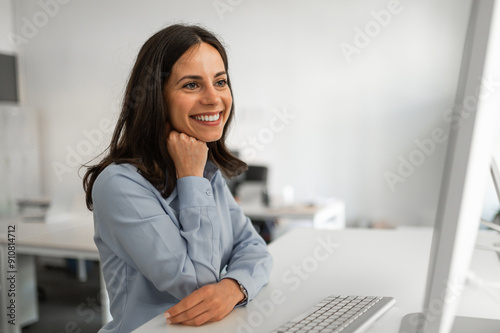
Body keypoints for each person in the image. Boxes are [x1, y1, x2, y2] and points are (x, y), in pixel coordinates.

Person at [82, 24, 273, 332]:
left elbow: (255, 247)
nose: (214, 98)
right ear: (156, 98)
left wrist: (234, 287)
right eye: (191, 85)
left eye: (220, 81)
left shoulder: (205, 170)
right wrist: (191, 180)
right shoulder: (119, 185)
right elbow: (196, 284)